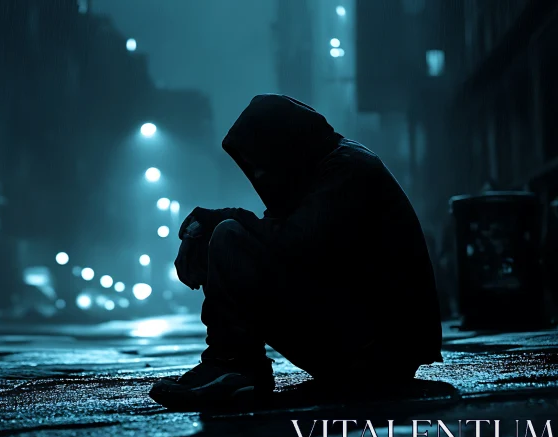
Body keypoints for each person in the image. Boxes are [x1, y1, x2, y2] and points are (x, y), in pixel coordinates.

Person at [148, 94, 443, 410]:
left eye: (260, 165)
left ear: (282, 144)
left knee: (229, 236)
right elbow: (277, 237)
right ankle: (231, 365)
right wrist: (212, 227)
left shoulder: (346, 168)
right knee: (227, 235)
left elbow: (294, 244)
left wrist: (222, 223)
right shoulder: (316, 170)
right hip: (368, 343)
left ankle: (233, 365)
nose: (258, 177)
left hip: (380, 351)